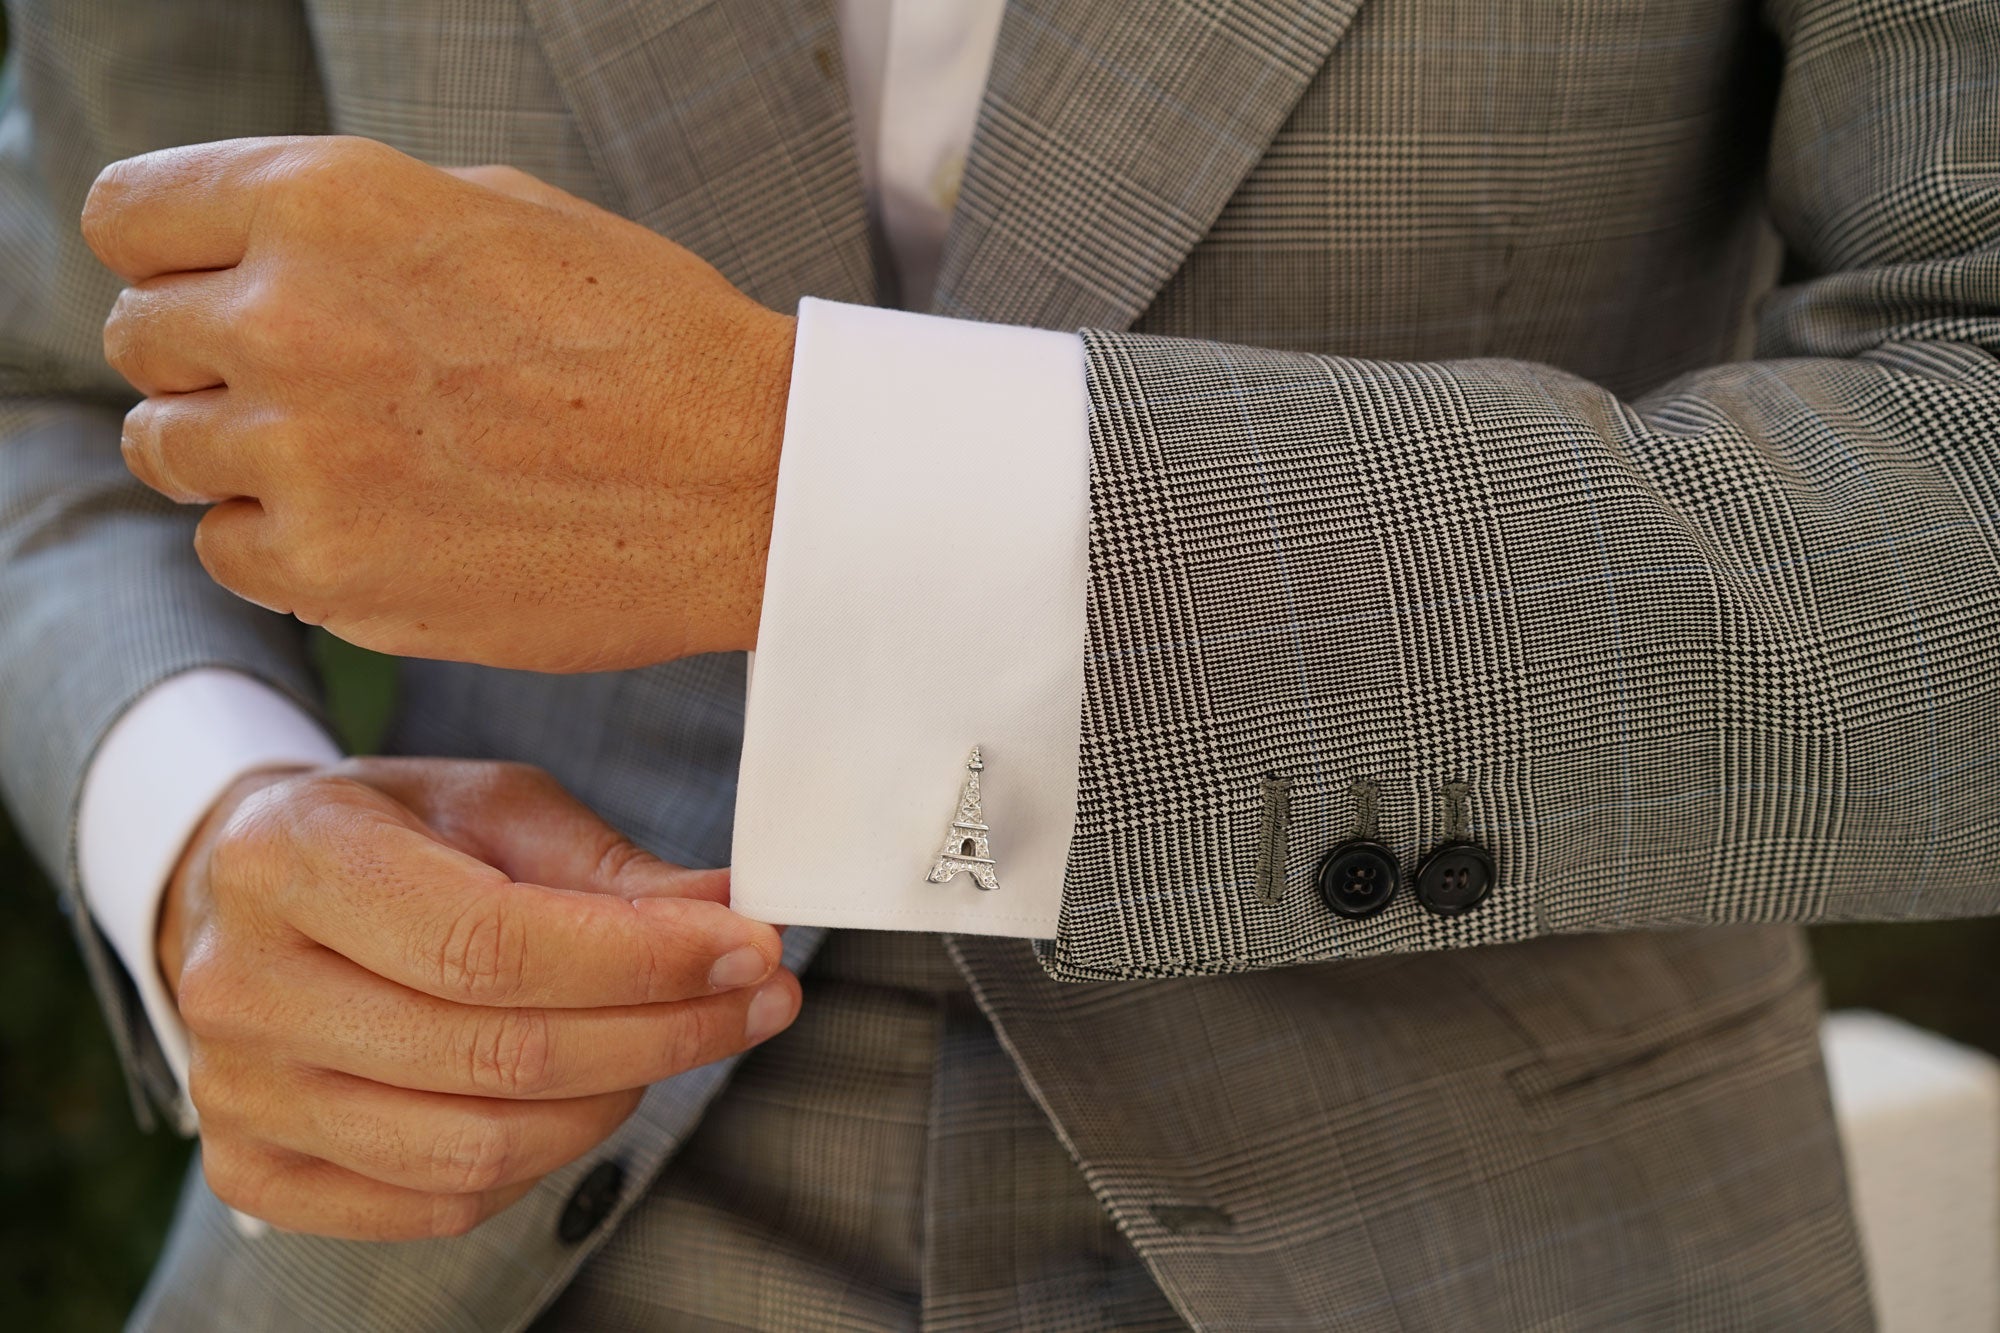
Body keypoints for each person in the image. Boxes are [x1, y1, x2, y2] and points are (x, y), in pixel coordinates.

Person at [1, 0, 1994, 1327]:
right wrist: (201, 821)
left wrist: (824, 490)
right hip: (452, 1251)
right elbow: (61, 370)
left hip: (1498, 1236)